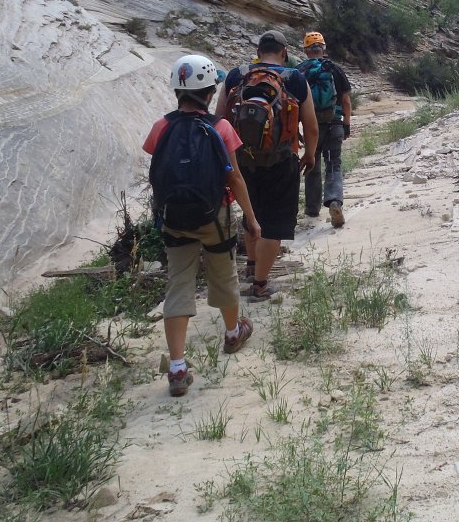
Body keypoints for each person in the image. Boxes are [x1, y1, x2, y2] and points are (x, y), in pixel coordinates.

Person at [143, 54, 261, 397]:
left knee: (178, 283)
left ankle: (178, 367)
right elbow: (235, 179)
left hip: (175, 220)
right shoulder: (221, 128)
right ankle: (232, 333)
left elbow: (158, 172)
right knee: (223, 274)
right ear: (210, 92)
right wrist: (251, 220)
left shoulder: (161, 127)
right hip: (216, 217)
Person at [217, 30, 318, 301]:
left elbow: (219, 120)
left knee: (254, 215)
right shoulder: (294, 78)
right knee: (274, 225)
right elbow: (310, 125)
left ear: (258, 50)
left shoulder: (236, 75)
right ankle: (260, 284)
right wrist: (309, 154)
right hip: (282, 160)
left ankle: (251, 266)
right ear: (284, 52)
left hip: (243, 161)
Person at [298, 31, 353, 228]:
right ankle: (335, 202)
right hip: (335, 122)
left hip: (311, 126)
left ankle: (312, 210)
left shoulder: (300, 71)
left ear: (306, 50)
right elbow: (346, 99)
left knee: (311, 165)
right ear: (324, 48)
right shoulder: (335, 69)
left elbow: (292, 102)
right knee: (334, 164)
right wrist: (346, 123)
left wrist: (295, 130)